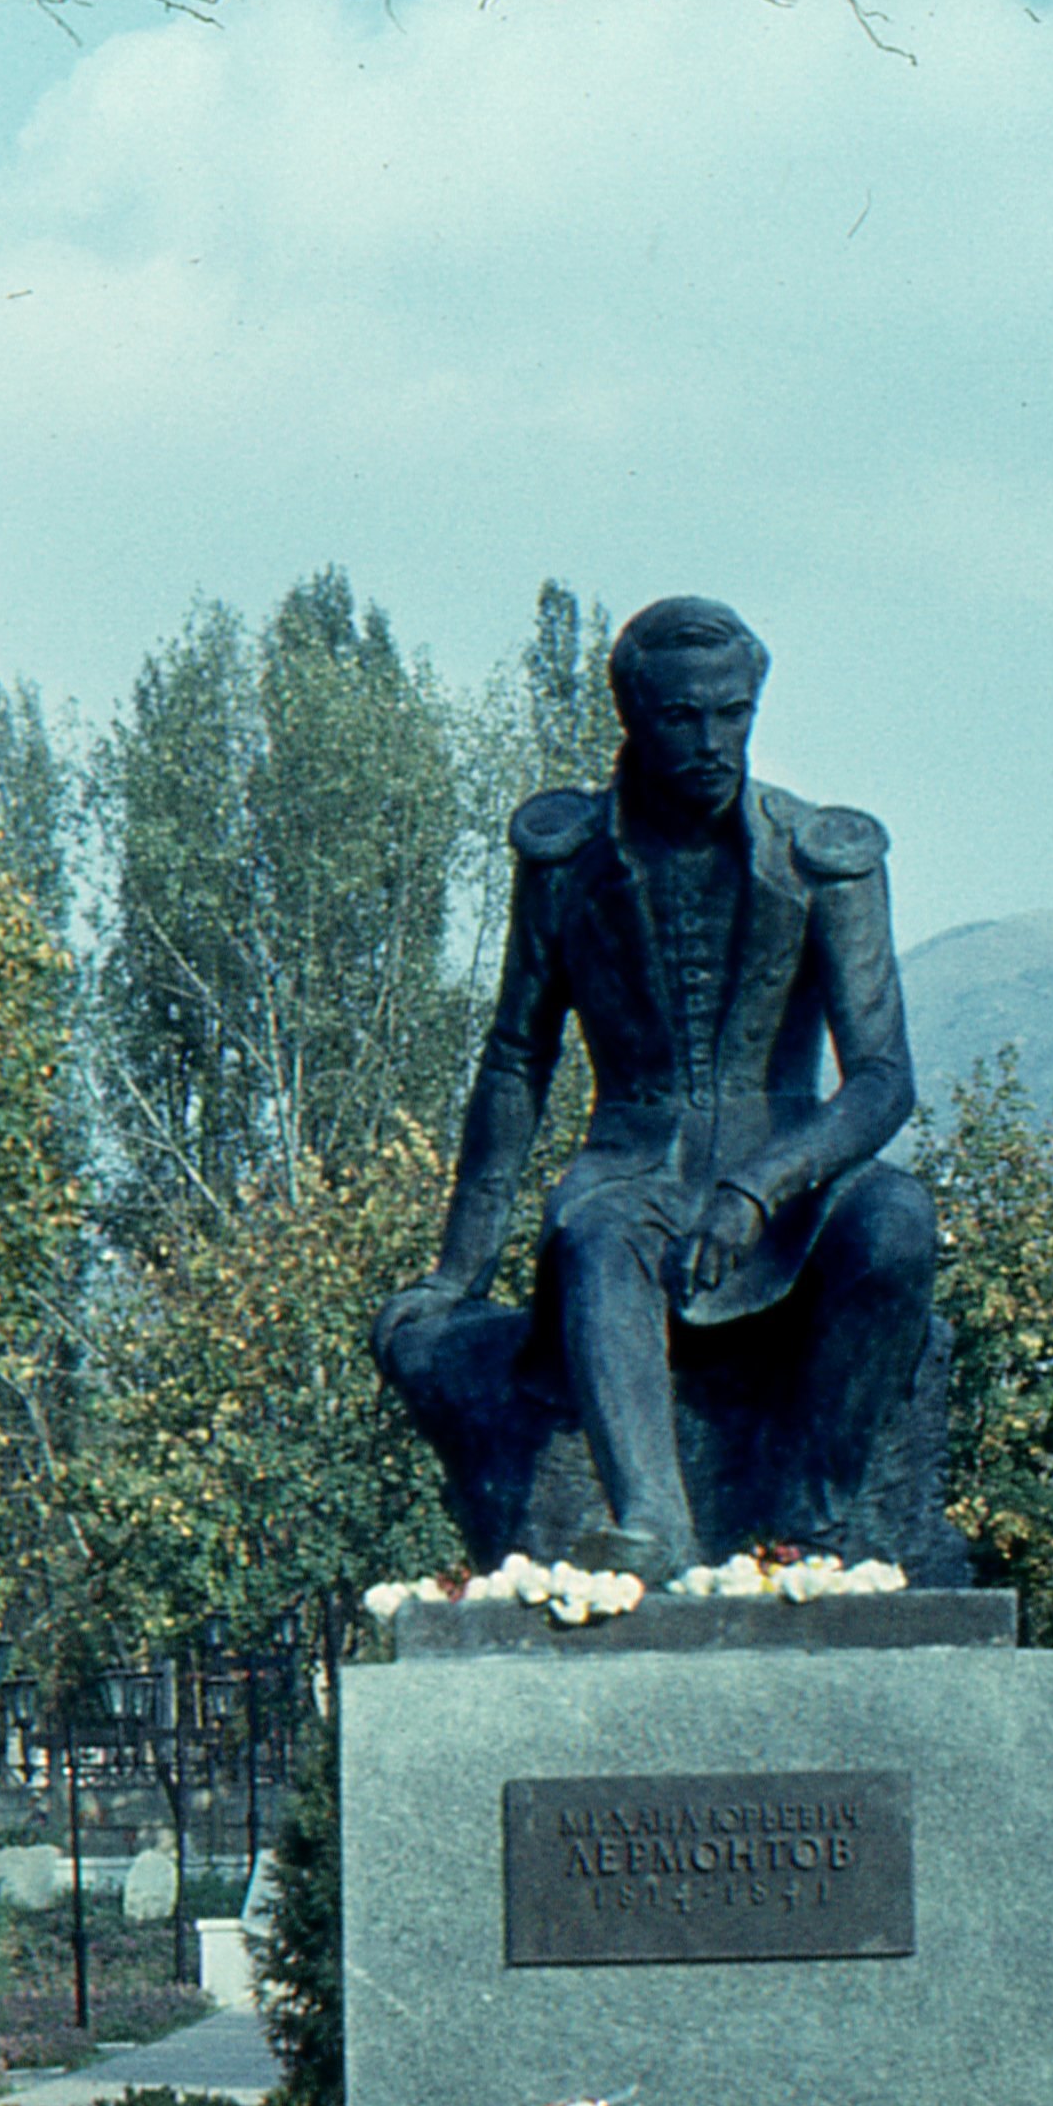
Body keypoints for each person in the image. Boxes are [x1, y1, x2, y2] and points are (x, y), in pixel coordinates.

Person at [375, 596, 935, 1575]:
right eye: (682, 717)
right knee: (596, 1238)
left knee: (895, 1223)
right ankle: (651, 1525)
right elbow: (516, 1059)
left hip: (795, 1180)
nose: (712, 741)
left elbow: (883, 1081)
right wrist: (457, 1271)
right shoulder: (564, 863)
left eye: (733, 714)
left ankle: (816, 1522)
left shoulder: (821, 859)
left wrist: (761, 1184)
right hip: (631, 1169)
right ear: (633, 716)